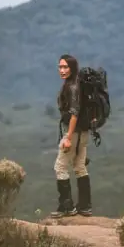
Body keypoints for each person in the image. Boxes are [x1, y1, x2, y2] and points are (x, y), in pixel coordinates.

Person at [50, 54, 93, 218]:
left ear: (72, 68)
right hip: (84, 133)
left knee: (60, 167)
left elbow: (74, 113)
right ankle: (85, 206)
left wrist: (68, 137)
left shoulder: (73, 86)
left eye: (65, 67)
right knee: (80, 166)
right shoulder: (77, 84)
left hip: (73, 133)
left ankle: (67, 206)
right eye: (60, 67)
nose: (62, 70)